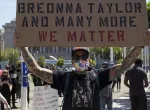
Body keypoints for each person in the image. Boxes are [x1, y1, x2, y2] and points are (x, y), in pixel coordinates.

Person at [14, 30, 150, 110]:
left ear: (89, 59)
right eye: (77, 56)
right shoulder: (64, 77)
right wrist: (23, 47)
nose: (80, 59)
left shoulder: (98, 76)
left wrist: (140, 46)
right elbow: (36, 70)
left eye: (84, 56)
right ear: (72, 60)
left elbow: (124, 65)